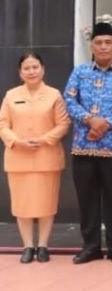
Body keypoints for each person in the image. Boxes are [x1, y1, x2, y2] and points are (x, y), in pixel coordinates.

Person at [64, 20, 112, 264]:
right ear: (92, 46)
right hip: (84, 147)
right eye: (99, 42)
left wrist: (105, 124)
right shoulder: (80, 72)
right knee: (87, 200)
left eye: (108, 42)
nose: (104, 46)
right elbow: (69, 100)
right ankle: (91, 247)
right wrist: (90, 120)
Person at [0, 53, 71, 263]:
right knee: (22, 205)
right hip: (18, 158)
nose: (31, 71)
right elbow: (2, 125)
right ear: (20, 72)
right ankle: (27, 246)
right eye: (27, 68)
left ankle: (43, 246)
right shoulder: (11, 95)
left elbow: (63, 124)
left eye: (35, 67)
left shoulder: (54, 95)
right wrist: (17, 141)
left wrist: (44, 139)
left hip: (47, 157)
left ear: (43, 69)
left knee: (46, 204)